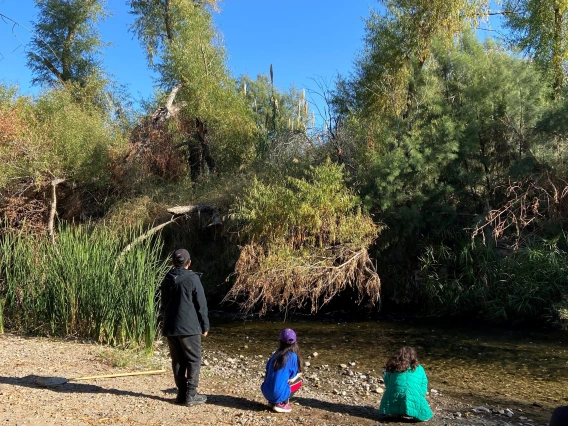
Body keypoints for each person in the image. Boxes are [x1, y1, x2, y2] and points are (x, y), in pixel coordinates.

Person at [160, 249, 209, 406]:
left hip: (171, 326)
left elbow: (163, 304)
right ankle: (191, 395)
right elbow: (201, 305)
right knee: (193, 360)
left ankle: (181, 394)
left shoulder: (167, 278)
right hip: (189, 328)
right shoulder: (193, 279)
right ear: (189, 263)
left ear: (173, 262)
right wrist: (205, 325)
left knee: (178, 360)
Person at [378, 346, 433, 422]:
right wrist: (420, 395)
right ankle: (410, 413)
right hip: (414, 401)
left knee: (393, 393)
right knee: (425, 416)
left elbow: (388, 383)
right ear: (414, 357)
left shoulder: (393, 367)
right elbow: (423, 386)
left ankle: (395, 411)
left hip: (394, 399)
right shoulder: (419, 368)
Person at [261, 328, 303, 413]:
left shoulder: (276, 353)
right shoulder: (292, 356)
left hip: (265, 391)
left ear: (280, 340)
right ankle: (280, 403)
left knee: (276, 379)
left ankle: (272, 402)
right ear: (295, 342)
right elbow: (292, 376)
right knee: (299, 381)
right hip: (276, 394)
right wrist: (299, 374)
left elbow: (267, 368)